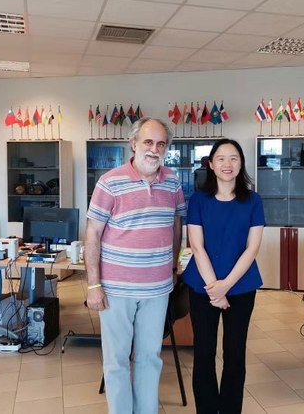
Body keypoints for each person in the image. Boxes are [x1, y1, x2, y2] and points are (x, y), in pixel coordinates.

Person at [85, 117, 186, 414]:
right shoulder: (109, 182)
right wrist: (93, 285)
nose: (154, 149)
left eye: (161, 144)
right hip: (116, 289)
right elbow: (92, 233)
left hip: (157, 288)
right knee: (116, 361)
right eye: (148, 142)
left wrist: (173, 266)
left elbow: (176, 224)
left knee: (149, 358)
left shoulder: (173, 181)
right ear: (133, 144)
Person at [182, 138, 265, 414]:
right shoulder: (198, 200)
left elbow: (252, 248)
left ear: (241, 164)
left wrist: (225, 286)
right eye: (221, 158)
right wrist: (214, 289)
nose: (227, 164)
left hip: (240, 287)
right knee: (204, 353)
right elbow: (196, 246)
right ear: (211, 164)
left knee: (235, 354)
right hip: (202, 286)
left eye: (233, 158)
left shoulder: (253, 200)